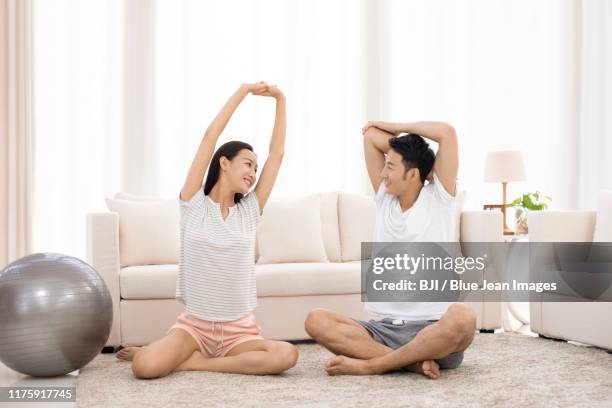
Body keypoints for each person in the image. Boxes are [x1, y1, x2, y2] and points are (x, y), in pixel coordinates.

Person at [116, 82, 298, 378]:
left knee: (287, 355)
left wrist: (280, 98)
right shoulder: (192, 203)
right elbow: (209, 137)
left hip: (240, 331)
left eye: (255, 168)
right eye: (248, 164)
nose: (253, 173)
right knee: (144, 367)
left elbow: (277, 155)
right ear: (224, 163)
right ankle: (170, 353)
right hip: (195, 327)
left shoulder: (249, 211)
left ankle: (192, 362)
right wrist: (243, 91)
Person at [305, 121, 476, 378]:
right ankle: (411, 363)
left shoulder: (440, 200)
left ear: (413, 174)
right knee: (316, 320)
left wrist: (398, 129)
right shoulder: (385, 199)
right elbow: (370, 137)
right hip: (383, 331)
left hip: (433, 330)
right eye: (385, 164)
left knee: (463, 317)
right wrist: (407, 150)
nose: (383, 173)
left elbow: (447, 133)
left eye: (391, 166)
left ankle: (373, 364)